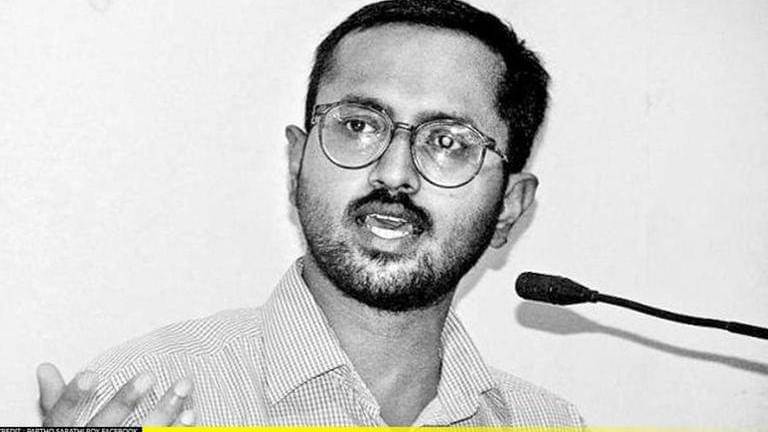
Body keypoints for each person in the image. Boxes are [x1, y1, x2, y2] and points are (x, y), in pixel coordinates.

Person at [37, 0, 583, 427]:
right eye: (358, 125)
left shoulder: (547, 422)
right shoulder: (141, 395)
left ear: (509, 206)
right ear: (297, 162)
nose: (394, 173)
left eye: (447, 141)